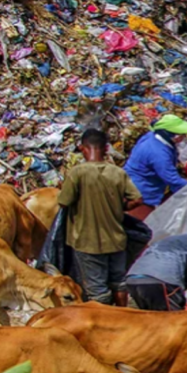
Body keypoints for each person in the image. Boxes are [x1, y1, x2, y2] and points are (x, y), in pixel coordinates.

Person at [58, 129, 142, 306]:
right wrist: (121, 207)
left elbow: (64, 202)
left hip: (87, 242)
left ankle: (104, 324)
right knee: (119, 282)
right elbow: (137, 199)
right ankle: (123, 316)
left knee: (97, 290)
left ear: (82, 148)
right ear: (105, 148)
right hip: (116, 239)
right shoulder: (117, 172)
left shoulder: (77, 173)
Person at [124, 114, 187, 220]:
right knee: (143, 222)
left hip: (137, 184)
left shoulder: (152, 137)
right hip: (143, 192)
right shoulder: (158, 153)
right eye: (181, 134)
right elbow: (172, 179)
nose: (183, 137)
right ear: (172, 135)